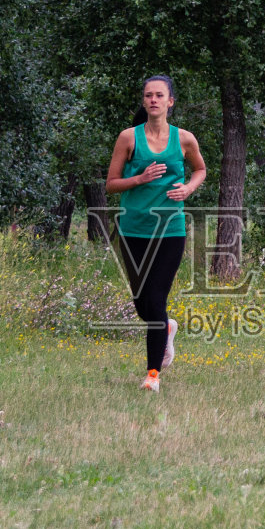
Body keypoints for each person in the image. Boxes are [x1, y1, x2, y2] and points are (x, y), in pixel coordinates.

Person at [105, 75, 206, 392]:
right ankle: (167, 329)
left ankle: (152, 376)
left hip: (170, 230)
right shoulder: (128, 138)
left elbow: (201, 169)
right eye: (148, 95)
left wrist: (189, 188)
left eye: (159, 95)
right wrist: (141, 178)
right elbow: (111, 183)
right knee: (141, 302)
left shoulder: (185, 139)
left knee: (156, 298)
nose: (153, 100)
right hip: (133, 229)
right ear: (144, 101)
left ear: (170, 101)